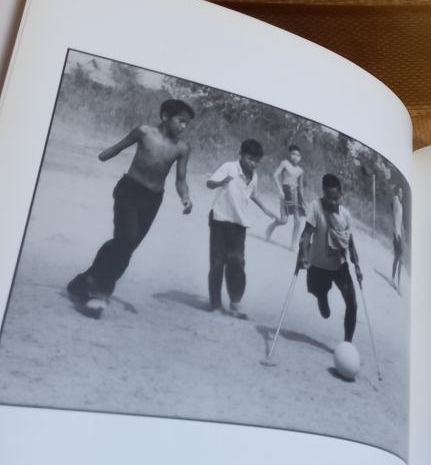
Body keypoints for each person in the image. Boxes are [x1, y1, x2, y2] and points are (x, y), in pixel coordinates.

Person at [67, 98, 195, 315]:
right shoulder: (144, 132)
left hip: (152, 200)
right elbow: (119, 147)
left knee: (126, 248)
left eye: (187, 123)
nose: (184, 126)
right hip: (129, 191)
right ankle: (100, 293)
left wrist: (185, 197)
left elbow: (180, 179)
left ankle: (84, 281)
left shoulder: (182, 148)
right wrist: (102, 155)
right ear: (165, 116)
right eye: (181, 120)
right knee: (125, 239)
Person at [206, 139, 277, 316]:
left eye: (256, 161)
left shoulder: (254, 176)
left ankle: (235, 301)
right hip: (220, 219)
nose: (252, 163)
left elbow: (253, 194)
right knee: (217, 262)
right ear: (240, 155)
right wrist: (220, 182)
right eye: (249, 158)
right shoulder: (229, 167)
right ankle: (215, 304)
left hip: (239, 224)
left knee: (237, 261)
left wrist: (265, 209)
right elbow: (209, 183)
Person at [297, 173, 362, 343]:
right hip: (317, 264)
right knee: (320, 299)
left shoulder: (345, 215)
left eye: (336, 198)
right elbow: (306, 234)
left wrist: (357, 266)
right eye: (329, 197)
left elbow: (351, 243)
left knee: (352, 303)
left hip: (339, 265)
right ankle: (322, 295)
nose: (333, 202)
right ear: (323, 192)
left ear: (341, 195)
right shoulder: (315, 206)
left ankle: (347, 343)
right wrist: (303, 253)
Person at [264, 144, 306, 250]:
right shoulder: (285, 163)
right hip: (285, 192)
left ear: (300, 157)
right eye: (293, 154)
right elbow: (275, 175)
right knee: (283, 220)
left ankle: (293, 246)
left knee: (298, 221)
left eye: (298, 155)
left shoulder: (300, 170)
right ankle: (271, 227)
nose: (295, 157)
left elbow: (301, 187)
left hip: (296, 194)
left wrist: (303, 201)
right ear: (289, 154)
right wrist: (280, 189)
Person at [390, 186, 405, 292]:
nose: (401, 194)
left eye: (402, 193)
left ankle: (392, 280)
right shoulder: (395, 199)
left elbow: (401, 222)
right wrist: (396, 233)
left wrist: (404, 236)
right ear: (397, 193)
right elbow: (394, 217)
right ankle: (398, 284)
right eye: (399, 192)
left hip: (400, 235)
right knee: (401, 259)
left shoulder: (401, 205)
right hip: (396, 234)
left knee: (397, 258)